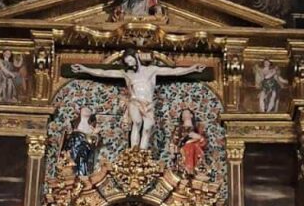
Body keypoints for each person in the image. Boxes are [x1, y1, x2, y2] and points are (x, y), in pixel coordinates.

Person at [71, 49, 205, 150]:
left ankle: (142, 152)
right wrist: (85, 69)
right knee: (137, 122)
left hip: (148, 104)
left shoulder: (152, 70)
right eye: (127, 62)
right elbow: (103, 72)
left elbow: (174, 71)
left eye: (131, 60)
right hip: (135, 101)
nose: (129, 64)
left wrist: (192, 68)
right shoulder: (126, 74)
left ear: (136, 57)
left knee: (148, 128)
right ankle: (134, 151)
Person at [62, 107, 99, 176]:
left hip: (85, 147)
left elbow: (94, 142)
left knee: (82, 160)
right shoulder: (73, 123)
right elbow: (67, 135)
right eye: (84, 109)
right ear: (80, 111)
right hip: (74, 145)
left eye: (89, 110)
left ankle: (81, 174)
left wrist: (94, 135)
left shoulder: (92, 128)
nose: (86, 111)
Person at [171, 108, 206, 175]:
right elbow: (173, 142)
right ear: (182, 118)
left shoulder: (198, 128)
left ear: (191, 115)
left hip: (196, 152)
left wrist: (198, 137)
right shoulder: (178, 129)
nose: (185, 115)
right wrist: (172, 152)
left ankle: (193, 170)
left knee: (192, 147)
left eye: (187, 113)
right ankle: (187, 170)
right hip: (183, 151)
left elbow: (203, 142)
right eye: (183, 114)